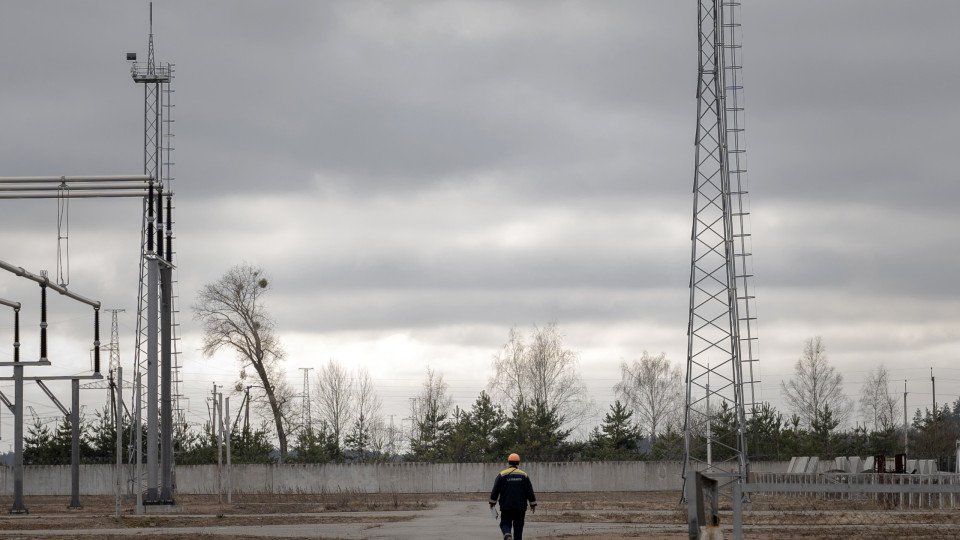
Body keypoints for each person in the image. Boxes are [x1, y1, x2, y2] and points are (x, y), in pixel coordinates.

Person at [489, 452, 537, 540]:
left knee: (505, 523)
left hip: (506, 506)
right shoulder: (524, 475)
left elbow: (495, 489)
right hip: (520, 507)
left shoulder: (502, 474)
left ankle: (507, 534)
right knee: (518, 528)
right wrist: (533, 504)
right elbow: (529, 490)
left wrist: (492, 503)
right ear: (518, 463)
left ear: (509, 462)